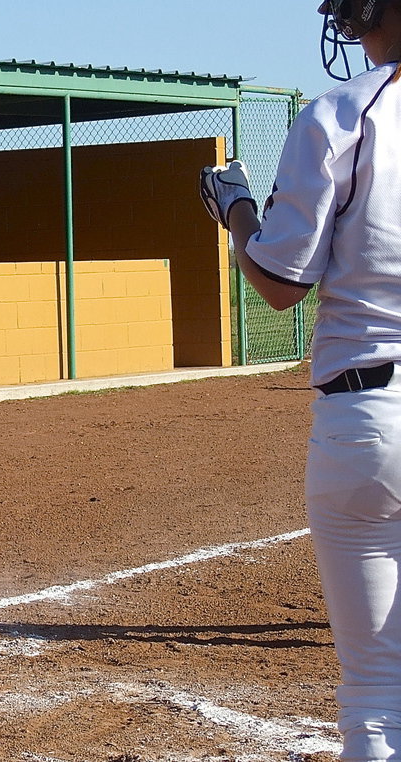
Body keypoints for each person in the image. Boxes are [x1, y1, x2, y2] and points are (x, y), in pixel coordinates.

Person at [200, 2, 401, 758]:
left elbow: (283, 281)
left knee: (379, 697)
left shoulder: (344, 113)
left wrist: (238, 212)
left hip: (369, 418)